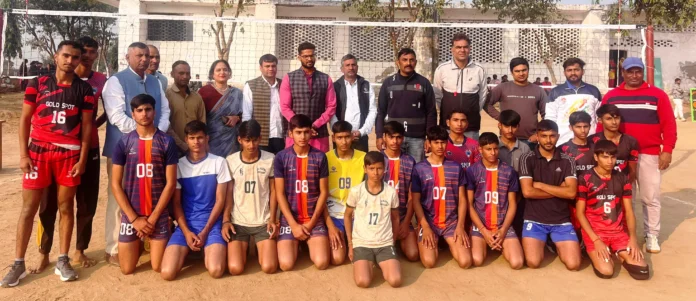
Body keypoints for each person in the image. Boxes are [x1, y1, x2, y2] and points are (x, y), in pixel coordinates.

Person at [1, 41, 94, 287]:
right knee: (28, 209)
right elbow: (24, 120)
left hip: (68, 155)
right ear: (56, 56)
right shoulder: (38, 84)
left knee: (66, 207)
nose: (70, 61)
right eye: (66, 55)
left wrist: (83, 159)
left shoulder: (84, 90)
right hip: (39, 154)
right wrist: (23, 155)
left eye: (75, 57)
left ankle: (63, 259)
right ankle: (18, 263)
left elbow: (86, 127)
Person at [34, 36, 107, 272]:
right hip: (56, 150)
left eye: (91, 52)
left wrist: (95, 124)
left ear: (96, 54)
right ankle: (44, 252)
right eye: (82, 52)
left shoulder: (101, 81)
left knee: (86, 202)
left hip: (88, 148)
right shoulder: (55, 81)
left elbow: (112, 110)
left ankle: (79, 250)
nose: (85, 56)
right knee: (49, 203)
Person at [599, 57, 677, 253]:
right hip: (619, 155)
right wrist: (603, 150)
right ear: (622, 73)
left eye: (638, 71)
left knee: (650, 197)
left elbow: (669, 124)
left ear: (642, 72)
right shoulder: (611, 96)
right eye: (630, 71)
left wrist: (667, 150)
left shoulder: (657, 95)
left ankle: (652, 235)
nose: (634, 75)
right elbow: (602, 123)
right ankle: (624, 233)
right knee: (624, 197)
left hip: (648, 153)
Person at [102, 42, 171, 266]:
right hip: (125, 148)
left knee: (152, 192)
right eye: (139, 55)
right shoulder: (115, 81)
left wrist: (155, 133)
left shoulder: (156, 81)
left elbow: (164, 110)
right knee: (119, 195)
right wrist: (142, 134)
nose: (144, 59)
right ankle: (113, 246)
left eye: (147, 55)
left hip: (154, 147)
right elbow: (116, 117)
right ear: (127, 57)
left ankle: (146, 239)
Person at [111, 94, 178, 275]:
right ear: (132, 114)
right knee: (127, 269)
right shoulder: (124, 142)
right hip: (132, 215)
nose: (144, 114)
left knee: (158, 267)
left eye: (148, 109)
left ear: (154, 112)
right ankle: (139, 240)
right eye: (139, 110)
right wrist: (135, 219)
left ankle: (162, 231)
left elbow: (171, 183)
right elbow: (115, 184)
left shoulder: (167, 142)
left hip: (158, 214)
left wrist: (152, 219)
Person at [160, 121, 230, 280]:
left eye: (200, 138)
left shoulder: (219, 162)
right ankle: (191, 247)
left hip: (212, 225)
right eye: (192, 138)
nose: (196, 142)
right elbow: (176, 203)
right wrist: (186, 232)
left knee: (216, 270)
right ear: (186, 139)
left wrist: (205, 231)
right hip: (187, 224)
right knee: (167, 273)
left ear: (207, 138)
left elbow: (220, 200)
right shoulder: (179, 165)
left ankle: (204, 249)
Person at [576, 140, 649, 280]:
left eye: (613, 157)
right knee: (606, 271)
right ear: (596, 157)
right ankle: (590, 249)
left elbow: (629, 212)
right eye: (605, 157)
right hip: (595, 232)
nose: (610, 161)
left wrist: (633, 239)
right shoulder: (585, 178)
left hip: (617, 232)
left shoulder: (622, 178)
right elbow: (580, 213)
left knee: (642, 270)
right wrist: (596, 240)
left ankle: (619, 253)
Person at [519, 120, 581, 270]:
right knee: (533, 262)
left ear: (558, 136)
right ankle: (546, 242)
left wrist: (540, 185)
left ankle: (553, 242)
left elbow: (571, 193)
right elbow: (527, 192)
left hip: (561, 221)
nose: (548, 140)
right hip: (534, 219)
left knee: (574, 264)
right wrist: (560, 191)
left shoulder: (568, 160)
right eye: (544, 136)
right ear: (537, 137)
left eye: (552, 136)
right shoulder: (527, 158)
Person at [274, 114, 330, 270]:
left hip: (313, 218)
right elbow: (280, 193)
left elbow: (323, 192)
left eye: (306, 132)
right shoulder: (281, 157)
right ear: (290, 134)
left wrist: (311, 224)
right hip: (290, 219)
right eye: (298, 132)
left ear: (311, 133)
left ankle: (307, 241)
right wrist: (293, 224)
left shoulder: (320, 157)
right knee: (285, 265)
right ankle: (298, 240)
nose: (303, 136)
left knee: (322, 263)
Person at [412, 126, 472, 269]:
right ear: (429, 143)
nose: (440, 146)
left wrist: (460, 226)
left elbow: (463, 199)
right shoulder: (419, 169)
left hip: (451, 222)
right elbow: (415, 201)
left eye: (443, 142)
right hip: (429, 222)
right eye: (436, 142)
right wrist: (425, 226)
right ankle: (420, 233)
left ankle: (447, 241)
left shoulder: (456, 167)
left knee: (465, 262)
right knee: (429, 262)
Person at [224, 120, 279, 275]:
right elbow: (228, 194)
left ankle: (256, 245)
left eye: (255, 140)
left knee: (269, 267)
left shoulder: (270, 159)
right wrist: (226, 220)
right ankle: (246, 246)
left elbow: (274, 191)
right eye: (247, 140)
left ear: (260, 139)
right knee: (235, 269)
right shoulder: (231, 161)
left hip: (263, 221)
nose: (251, 145)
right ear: (239, 140)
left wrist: (272, 218)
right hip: (239, 222)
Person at [466, 132, 524, 269]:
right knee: (477, 259)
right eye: (488, 149)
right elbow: (469, 204)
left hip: (502, 224)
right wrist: (484, 231)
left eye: (495, 149)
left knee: (517, 263)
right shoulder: (472, 171)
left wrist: (503, 230)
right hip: (481, 225)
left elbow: (512, 204)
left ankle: (500, 242)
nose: (493, 153)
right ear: (480, 150)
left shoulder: (509, 172)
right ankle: (489, 241)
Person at [345, 151, 402, 288]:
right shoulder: (356, 191)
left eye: (379, 168)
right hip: (362, 243)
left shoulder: (391, 192)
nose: (375, 173)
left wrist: (392, 241)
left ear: (384, 168)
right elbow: (347, 216)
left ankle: (380, 261)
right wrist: (351, 244)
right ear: (365, 169)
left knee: (395, 280)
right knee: (363, 282)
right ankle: (368, 263)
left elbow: (395, 218)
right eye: (371, 169)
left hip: (384, 243)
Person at [376, 48, 437, 161]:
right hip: (394, 137)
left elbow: (431, 112)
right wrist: (380, 135)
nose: (408, 63)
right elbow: (381, 111)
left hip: (417, 138)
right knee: (394, 170)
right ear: (398, 62)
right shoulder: (388, 83)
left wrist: (430, 138)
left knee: (416, 171)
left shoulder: (424, 83)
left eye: (411, 60)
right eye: (404, 60)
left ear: (416, 62)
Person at [280, 42, 337, 152]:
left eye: (311, 55)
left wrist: (315, 125)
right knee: (294, 166)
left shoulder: (326, 79)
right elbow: (285, 107)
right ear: (299, 57)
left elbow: (331, 106)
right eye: (305, 56)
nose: (309, 59)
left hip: (319, 134)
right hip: (295, 134)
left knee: (318, 167)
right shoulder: (289, 78)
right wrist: (300, 127)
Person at [325, 121, 366, 266]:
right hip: (334, 214)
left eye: (347, 137)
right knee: (337, 258)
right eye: (340, 137)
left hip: (356, 214)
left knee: (361, 257)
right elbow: (320, 194)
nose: (344, 141)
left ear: (352, 137)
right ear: (333, 138)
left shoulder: (363, 158)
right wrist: (330, 225)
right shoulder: (325, 159)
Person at [433, 33, 488, 139]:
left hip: (471, 126)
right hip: (448, 127)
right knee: (448, 155)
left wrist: (471, 111)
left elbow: (482, 96)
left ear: (470, 48)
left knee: (470, 155)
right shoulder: (442, 69)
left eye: (465, 47)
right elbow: (437, 96)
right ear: (452, 49)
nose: (462, 50)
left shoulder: (479, 70)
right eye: (458, 47)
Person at [486, 57, 547, 148]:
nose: (521, 73)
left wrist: (539, 134)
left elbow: (547, 114)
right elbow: (486, 103)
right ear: (512, 72)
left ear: (528, 70)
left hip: (531, 140)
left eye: (524, 70)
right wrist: (502, 118)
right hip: (507, 140)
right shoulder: (502, 88)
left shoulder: (538, 90)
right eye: (517, 71)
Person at [381, 121, 419, 261]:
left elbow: (412, 195)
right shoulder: (378, 160)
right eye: (391, 137)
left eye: (398, 137)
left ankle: (402, 234)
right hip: (382, 218)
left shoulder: (410, 161)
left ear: (402, 138)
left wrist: (406, 221)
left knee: (413, 255)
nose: (395, 141)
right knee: (383, 259)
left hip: (403, 216)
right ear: (384, 137)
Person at [546, 58, 602, 145]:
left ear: (582, 71)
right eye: (569, 70)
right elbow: (550, 118)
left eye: (576, 70)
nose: (573, 73)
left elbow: (599, 118)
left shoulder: (593, 91)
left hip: (590, 142)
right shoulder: (555, 92)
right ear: (564, 72)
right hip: (563, 142)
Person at [330, 54, 376, 152]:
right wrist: (340, 131)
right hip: (341, 137)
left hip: (360, 137)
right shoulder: (335, 87)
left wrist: (361, 131)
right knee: (340, 166)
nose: (351, 67)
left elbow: (372, 111)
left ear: (357, 67)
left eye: (353, 65)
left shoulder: (366, 86)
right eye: (347, 65)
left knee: (361, 166)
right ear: (342, 69)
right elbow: (331, 111)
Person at [497, 110, 531, 239]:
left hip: (518, 196)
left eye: (514, 126)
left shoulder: (525, 148)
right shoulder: (493, 146)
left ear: (518, 127)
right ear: (499, 125)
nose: (510, 130)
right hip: (496, 195)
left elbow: (526, 176)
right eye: (506, 126)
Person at [198, 59, 244, 157]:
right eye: (218, 70)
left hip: (232, 141)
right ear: (212, 74)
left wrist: (237, 118)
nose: (222, 72)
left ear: (229, 73)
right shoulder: (204, 92)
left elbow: (244, 115)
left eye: (225, 70)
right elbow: (199, 117)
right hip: (211, 140)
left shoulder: (237, 93)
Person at [242, 54, 285, 154]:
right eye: (267, 66)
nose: (271, 69)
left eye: (273, 66)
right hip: (260, 136)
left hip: (281, 135)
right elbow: (247, 113)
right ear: (260, 68)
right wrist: (249, 135)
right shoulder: (251, 85)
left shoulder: (283, 84)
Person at [589, 105, 639, 183]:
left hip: (623, 186)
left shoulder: (630, 141)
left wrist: (626, 188)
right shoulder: (592, 141)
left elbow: (632, 170)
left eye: (616, 118)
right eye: (609, 119)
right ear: (600, 120)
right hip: (597, 186)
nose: (614, 122)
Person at [166, 60, 206, 157]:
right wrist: (182, 145)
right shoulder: (166, 96)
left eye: (187, 73)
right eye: (181, 73)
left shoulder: (197, 97)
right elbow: (166, 125)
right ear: (172, 74)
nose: (185, 76)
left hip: (195, 149)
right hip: (173, 148)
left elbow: (202, 123)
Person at [560, 111, 595, 176]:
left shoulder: (597, 148)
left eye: (585, 126)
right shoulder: (562, 149)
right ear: (570, 127)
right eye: (578, 127)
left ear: (590, 126)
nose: (583, 130)